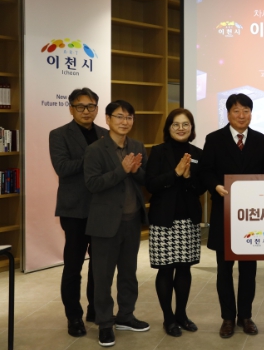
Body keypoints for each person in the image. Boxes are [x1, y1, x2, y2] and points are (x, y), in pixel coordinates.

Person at [199, 93, 264, 338]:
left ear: (251, 113)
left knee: (249, 270)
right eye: (236, 111)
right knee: (224, 269)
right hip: (224, 212)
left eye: (246, 111)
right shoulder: (214, 139)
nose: (241, 116)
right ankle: (228, 318)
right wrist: (215, 186)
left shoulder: (260, 140)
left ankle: (245, 316)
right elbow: (205, 171)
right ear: (228, 113)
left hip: (251, 216)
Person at [84, 100, 150, 347]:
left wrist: (136, 171)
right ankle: (104, 324)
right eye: (120, 117)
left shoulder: (137, 146)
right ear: (108, 119)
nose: (125, 122)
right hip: (105, 223)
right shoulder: (95, 150)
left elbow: (144, 179)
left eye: (129, 117)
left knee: (129, 273)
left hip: (132, 221)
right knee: (103, 276)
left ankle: (126, 316)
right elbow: (93, 184)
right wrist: (122, 170)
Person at [49, 87, 108, 337]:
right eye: (80, 106)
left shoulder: (106, 134)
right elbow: (62, 168)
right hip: (74, 210)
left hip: (102, 208)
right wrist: (93, 157)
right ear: (71, 108)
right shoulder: (59, 134)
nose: (86, 111)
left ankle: (96, 309)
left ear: (97, 108)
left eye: (91, 106)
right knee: (73, 266)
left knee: (100, 265)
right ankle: (74, 316)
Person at [145, 108, 206, 337]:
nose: (181, 128)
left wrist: (189, 178)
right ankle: (168, 318)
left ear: (192, 128)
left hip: (188, 220)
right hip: (163, 221)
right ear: (168, 128)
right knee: (165, 270)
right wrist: (176, 173)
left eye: (185, 124)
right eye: (176, 124)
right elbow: (150, 184)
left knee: (184, 268)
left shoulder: (198, 153)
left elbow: (201, 187)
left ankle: (181, 314)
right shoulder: (158, 151)